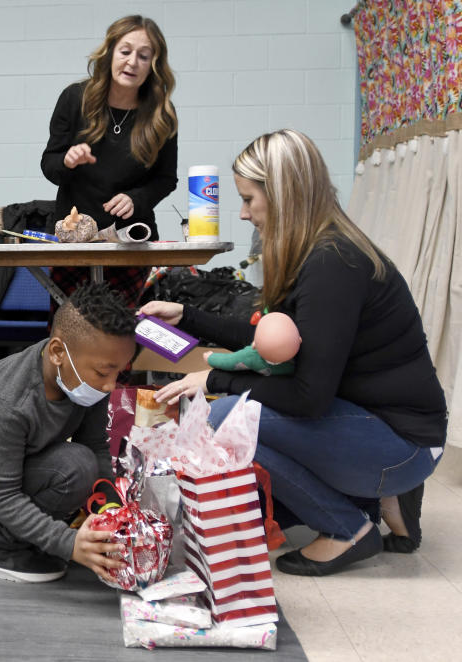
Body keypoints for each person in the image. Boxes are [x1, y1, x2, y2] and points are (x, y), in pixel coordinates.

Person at [140, 129, 447, 576]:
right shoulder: (317, 251)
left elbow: (308, 398)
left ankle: (349, 528)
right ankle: (380, 495)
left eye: (249, 199)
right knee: (243, 412)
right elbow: (268, 344)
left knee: (228, 415)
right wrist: (187, 316)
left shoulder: (332, 263)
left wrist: (214, 381)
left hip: (401, 442)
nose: (243, 214)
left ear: (282, 194)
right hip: (382, 422)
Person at [0, 283, 137, 583]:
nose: (111, 385)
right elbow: (2, 496)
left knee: (84, 467)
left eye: (119, 372)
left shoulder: (83, 378)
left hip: (0, 468)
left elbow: (95, 444)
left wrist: (111, 507)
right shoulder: (8, 402)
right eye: (103, 372)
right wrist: (69, 544)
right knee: (75, 468)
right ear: (58, 352)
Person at [41, 15, 178, 309]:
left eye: (144, 56)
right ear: (110, 53)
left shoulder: (161, 115)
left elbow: (167, 178)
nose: (132, 62)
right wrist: (67, 160)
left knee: (122, 333)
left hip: (130, 240)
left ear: (154, 65)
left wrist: (136, 199)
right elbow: (49, 165)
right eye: (125, 51)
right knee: (69, 331)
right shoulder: (75, 98)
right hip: (74, 241)